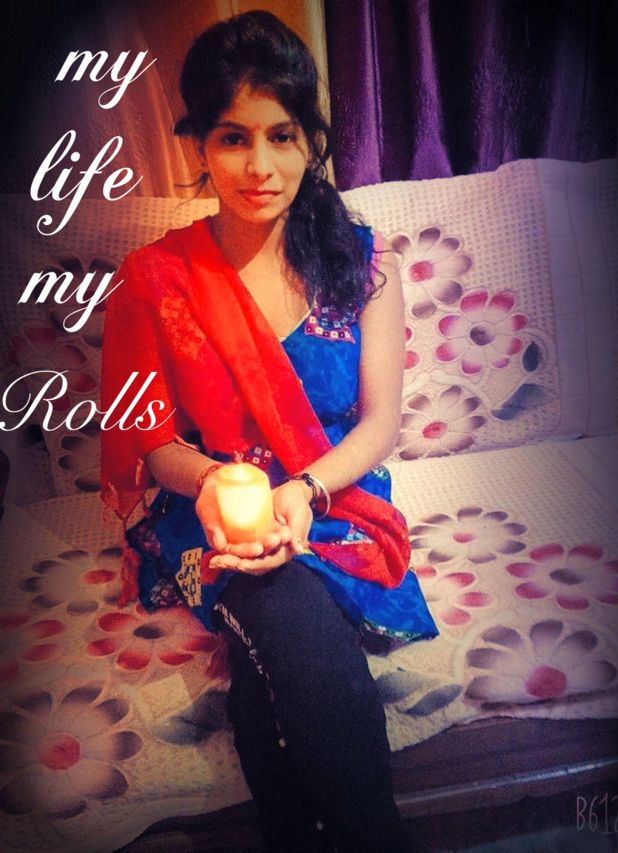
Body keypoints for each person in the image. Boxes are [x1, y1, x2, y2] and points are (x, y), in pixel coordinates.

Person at [101, 10, 437, 853]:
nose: (260, 167)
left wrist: (307, 491)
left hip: (334, 497)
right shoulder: (156, 278)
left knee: (273, 643)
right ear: (198, 145)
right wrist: (218, 485)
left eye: (282, 136)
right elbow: (153, 443)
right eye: (233, 138)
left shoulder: (363, 263)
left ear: (311, 140)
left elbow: (381, 422)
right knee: (274, 592)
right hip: (214, 511)